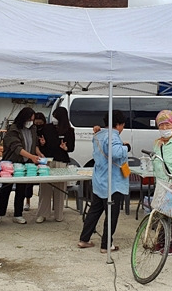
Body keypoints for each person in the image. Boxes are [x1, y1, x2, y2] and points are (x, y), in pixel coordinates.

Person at [78, 110, 128, 253]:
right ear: (119, 124)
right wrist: (126, 148)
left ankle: (84, 239)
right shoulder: (113, 136)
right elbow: (117, 153)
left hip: (100, 179)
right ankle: (107, 244)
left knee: (94, 210)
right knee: (111, 214)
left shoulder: (99, 135)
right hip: (113, 181)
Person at [0, 107, 43, 224]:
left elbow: (34, 144)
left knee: (21, 189)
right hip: (11, 163)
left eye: (32, 119)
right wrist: (32, 157)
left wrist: (39, 153)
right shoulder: (13, 130)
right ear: (23, 118)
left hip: (25, 163)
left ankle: (18, 214)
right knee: (6, 188)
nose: (31, 122)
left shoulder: (33, 129)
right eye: (29, 119)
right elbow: (17, 148)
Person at [35, 107, 75, 223]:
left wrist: (66, 148)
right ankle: (42, 214)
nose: (54, 119)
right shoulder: (47, 128)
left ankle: (59, 214)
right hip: (47, 161)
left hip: (61, 161)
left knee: (60, 188)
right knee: (45, 188)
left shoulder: (69, 130)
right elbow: (40, 142)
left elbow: (71, 148)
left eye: (56, 116)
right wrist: (42, 144)